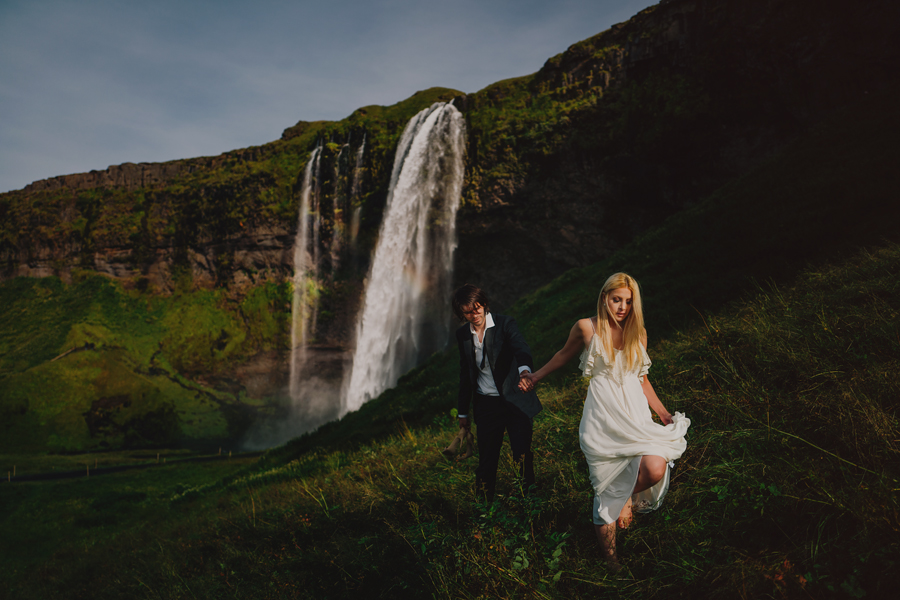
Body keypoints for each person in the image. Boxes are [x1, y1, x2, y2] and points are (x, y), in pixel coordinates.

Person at [519, 272, 690, 570]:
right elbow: (562, 355)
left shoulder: (640, 333)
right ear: (604, 298)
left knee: (655, 465)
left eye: (628, 301)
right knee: (607, 487)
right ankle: (612, 563)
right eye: (616, 299)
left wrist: (662, 413)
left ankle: (625, 499)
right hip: (602, 418)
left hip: (635, 415)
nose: (622, 307)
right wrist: (534, 377)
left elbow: (643, 380)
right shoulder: (586, 328)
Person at [453, 284, 542, 502]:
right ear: (461, 314)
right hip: (486, 405)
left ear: (484, 304)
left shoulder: (505, 324)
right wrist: (463, 412)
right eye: (468, 312)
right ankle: (484, 508)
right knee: (487, 459)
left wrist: (524, 372)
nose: (474, 315)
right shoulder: (463, 334)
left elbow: (521, 347)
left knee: (521, 455)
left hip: (514, 401)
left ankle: (528, 504)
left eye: (477, 308)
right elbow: (466, 374)